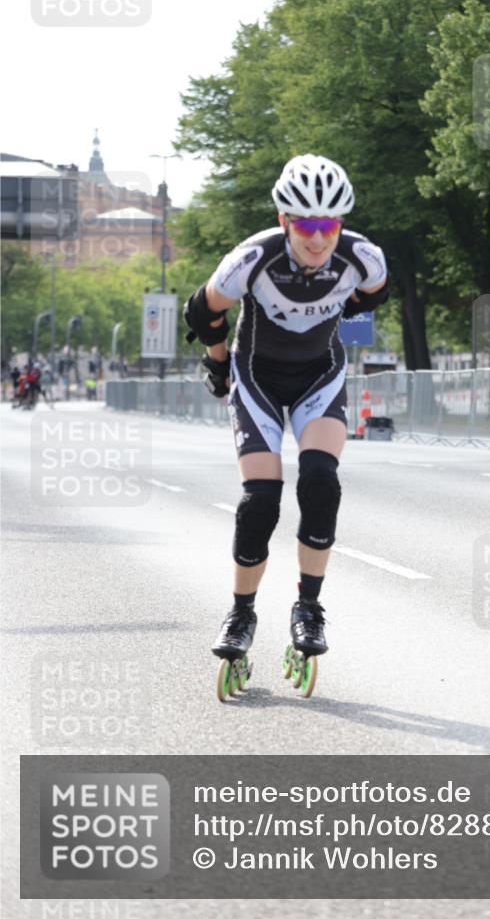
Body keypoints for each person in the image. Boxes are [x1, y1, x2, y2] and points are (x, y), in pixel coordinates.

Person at [184, 154, 389, 677]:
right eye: (306, 226)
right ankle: (241, 613)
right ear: (284, 221)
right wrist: (216, 362)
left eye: (330, 225)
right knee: (261, 502)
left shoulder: (364, 258)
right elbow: (204, 310)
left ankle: (309, 608)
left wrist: (347, 319)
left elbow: (373, 296)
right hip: (257, 379)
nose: (319, 240)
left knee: (320, 481)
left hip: (319, 376)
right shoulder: (252, 258)